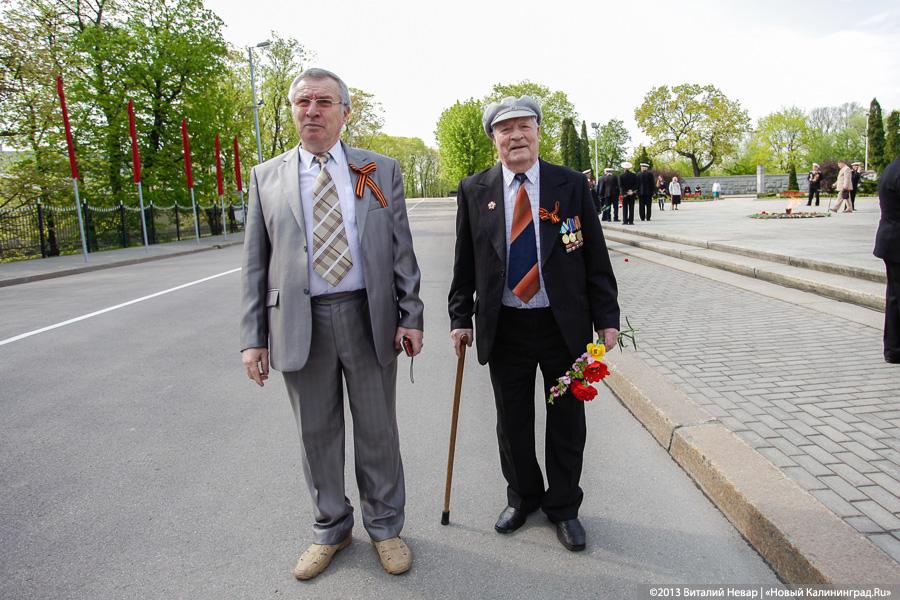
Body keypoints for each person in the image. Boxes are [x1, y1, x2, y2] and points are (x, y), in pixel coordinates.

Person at [240, 68, 424, 581]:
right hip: (300, 323)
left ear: (346, 111)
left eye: (324, 101)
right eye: (303, 102)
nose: (313, 111)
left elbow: (400, 249)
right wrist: (252, 338)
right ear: (293, 110)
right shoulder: (266, 177)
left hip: (368, 315)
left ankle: (386, 528)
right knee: (315, 433)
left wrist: (411, 314)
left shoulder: (379, 170)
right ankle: (331, 528)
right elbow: (256, 263)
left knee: (377, 430)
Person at [447, 95, 621, 553]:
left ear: (539, 131)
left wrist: (607, 318)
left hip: (562, 326)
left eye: (524, 126)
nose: (516, 136)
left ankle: (564, 507)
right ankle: (523, 497)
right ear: (494, 139)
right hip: (505, 326)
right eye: (505, 129)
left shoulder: (569, 185)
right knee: (513, 422)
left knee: (567, 420)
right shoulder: (475, 189)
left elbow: (595, 257)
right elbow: (464, 264)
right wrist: (459, 316)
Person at [875, 157, 900, 364]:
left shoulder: (892, 167)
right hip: (897, 242)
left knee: (894, 297)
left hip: (890, 240)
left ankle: (894, 349)